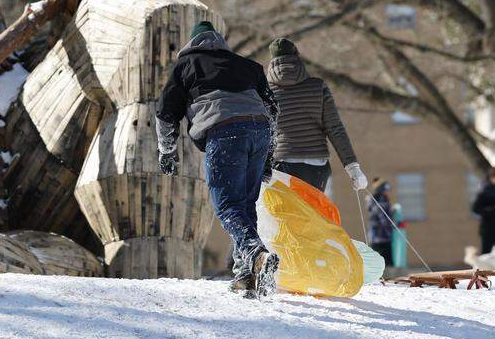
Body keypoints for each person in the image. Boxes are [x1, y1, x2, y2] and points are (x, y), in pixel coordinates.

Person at [155, 21, 279, 298]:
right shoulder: (247, 66)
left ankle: (254, 252)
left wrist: (167, 151)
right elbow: (273, 109)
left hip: (225, 130)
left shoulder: (186, 66)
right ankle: (246, 275)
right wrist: (268, 157)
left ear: (192, 42)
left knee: (226, 204)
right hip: (259, 130)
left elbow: (165, 112)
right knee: (245, 205)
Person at [265, 38, 367, 192]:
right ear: (297, 57)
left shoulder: (265, 91)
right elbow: (335, 128)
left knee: (288, 215)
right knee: (312, 213)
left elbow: (262, 131)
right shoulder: (317, 86)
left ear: (272, 61)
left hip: (283, 163)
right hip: (316, 165)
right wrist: (352, 167)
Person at [368, 179, 395, 265]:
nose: (387, 192)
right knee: (385, 262)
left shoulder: (375, 199)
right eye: (386, 190)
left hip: (376, 237)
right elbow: (383, 218)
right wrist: (394, 225)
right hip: (382, 236)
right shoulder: (380, 200)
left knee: (378, 261)